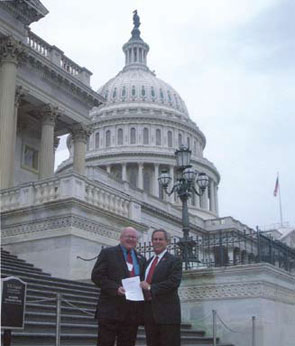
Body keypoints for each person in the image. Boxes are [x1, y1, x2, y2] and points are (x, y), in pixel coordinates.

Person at [91, 226, 146, 346]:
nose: (131, 239)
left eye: (134, 237)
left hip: (132, 312)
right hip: (110, 309)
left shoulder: (141, 258)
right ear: (121, 238)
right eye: (128, 236)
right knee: (105, 343)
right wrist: (115, 288)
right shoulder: (108, 253)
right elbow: (97, 276)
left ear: (137, 241)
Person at [140, 229, 182, 346]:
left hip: (167, 315)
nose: (157, 242)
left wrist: (150, 287)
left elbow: (173, 282)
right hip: (149, 314)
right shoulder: (147, 262)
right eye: (155, 239)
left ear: (167, 242)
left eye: (160, 239)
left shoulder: (174, 260)